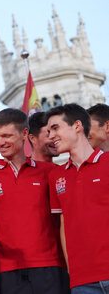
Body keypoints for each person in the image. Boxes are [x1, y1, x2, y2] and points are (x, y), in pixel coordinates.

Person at [0, 108, 66, 293]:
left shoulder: (49, 171)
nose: (0, 142)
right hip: (5, 269)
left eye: (7, 136)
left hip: (49, 265)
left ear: (25, 133)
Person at [46, 103, 109, 293]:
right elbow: (64, 224)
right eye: (48, 131)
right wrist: (73, 271)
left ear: (77, 126)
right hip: (82, 281)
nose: (50, 137)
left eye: (55, 128)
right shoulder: (56, 177)